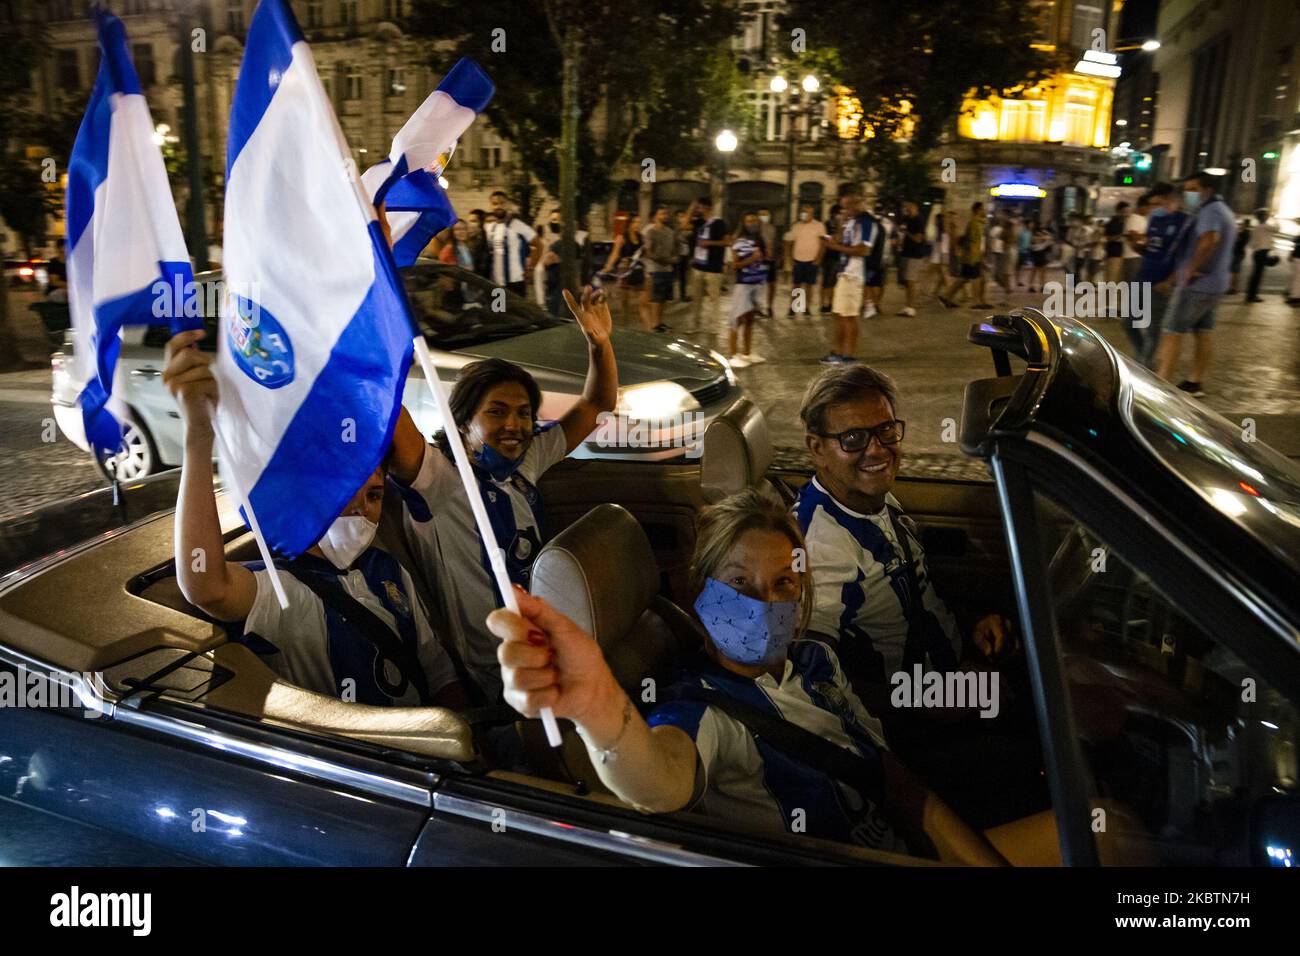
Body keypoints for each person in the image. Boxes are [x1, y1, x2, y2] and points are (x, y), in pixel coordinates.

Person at [489, 488, 1007, 861]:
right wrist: (598, 707)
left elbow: (891, 776)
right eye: (739, 582)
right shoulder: (701, 708)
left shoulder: (815, 659)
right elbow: (658, 778)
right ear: (699, 589)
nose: (764, 602)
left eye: (783, 582)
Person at [161, 328, 468, 710]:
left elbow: (438, 671)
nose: (362, 508)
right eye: (343, 493)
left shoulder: (388, 570)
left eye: (374, 495)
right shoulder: (280, 590)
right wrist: (198, 434)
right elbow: (205, 585)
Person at [386, 286, 617, 702]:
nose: (514, 424)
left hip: (549, 650)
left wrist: (599, 345)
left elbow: (598, 402)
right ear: (461, 423)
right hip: (497, 677)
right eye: (496, 411)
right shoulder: (436, 477)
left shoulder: (525, 462)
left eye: (524, 412)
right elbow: (386, 410)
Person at [1155, 170, 1237, 397]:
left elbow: (1209, 240)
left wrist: (1189, 269)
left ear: (1206, 189)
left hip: (1197, 286)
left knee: (1172, 330)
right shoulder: (1223, 210)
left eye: (1193, 189)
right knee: (1204, 331)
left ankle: (1160, 386)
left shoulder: (1210, 211)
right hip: (1215, 285)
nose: (1188, 193)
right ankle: (1195, 382)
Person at [1131, 182, 1188, 369]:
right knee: (1128, 321)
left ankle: (1145, 366)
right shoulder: (1155, 219)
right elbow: (1150, 247)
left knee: (1153, 328)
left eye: (1156, 204)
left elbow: (1184, 256)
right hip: (1143, 275)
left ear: (1168, 200)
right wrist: (1135, 244)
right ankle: (1143, 356)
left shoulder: (1183, 221)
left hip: (1161, 282)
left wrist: (1170, 281)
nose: (1153, 209)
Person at [820, 189, 877, 364]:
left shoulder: (866, 222)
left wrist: (834, 248)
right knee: (838, 314)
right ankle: (837, 352)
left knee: (849, 317)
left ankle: (849, 356)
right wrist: (838, 229)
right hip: (844, 273)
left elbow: (863, 250)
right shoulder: (853, 221)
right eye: (842, 208)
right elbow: (843, 241)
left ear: (857, 203)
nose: (844, 211)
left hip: (853, 275)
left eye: (846, 207)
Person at [725, 212, 769, 368]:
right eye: (748, 221)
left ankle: (747, 353)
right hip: (743, 284)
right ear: (743, 223)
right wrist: (752, 258)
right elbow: (735, 265)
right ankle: (733, 354)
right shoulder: (739, 241)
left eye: (754, 220)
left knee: (750, 319)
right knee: (736, 319)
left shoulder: (759, 239)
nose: (752, 223)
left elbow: (764, 258)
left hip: (757, 284)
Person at [486, 191, 539, 297]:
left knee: (516, 312)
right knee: (499, 311)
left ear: (507, 205)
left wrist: (531, 268)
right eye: (495, 204)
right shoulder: (489, 227)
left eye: (502, 203)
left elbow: (539, 245)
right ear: (491, 206)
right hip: (497, 283)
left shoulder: (518, 225)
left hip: (516, 281)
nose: (498, 206)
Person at [688, 196, 729, 332]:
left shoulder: (719, 223)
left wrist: (709, 243)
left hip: (713, 267)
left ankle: (714, 327)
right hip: (698, 266)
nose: (697, 210)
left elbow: (727, 241)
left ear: (706, 208)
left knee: (714, 298)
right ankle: (695, 325)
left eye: (698, 207)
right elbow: (683, 225)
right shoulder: (698, 222)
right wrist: (691, 209)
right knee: (696, 298)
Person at [939, 202, 989, 309]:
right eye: (983, 209)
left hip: (971, 256)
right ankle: (976, 302)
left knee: (964, 278)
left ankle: (946, 297)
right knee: (976, 278)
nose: (985, 211)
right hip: (972, 257)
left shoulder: (977, 223)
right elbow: (971, 241)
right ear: (978, 210)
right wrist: (975, 257)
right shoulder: (974, 223)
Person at [601, 213, 646, 326]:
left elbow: (645, 253)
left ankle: (645, 325)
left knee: (642, 301)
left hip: (638, 269)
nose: (637, 225)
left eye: (638, 222)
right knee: (624, 301)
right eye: (635, 222)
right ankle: (624, 324)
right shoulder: (622, 237)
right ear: (629, 224)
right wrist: (608, 266)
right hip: (625, 270)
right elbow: (615, 253)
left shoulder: (640, 237)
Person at [784, 203, 826, 319]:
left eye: (808, 212)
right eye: (803, 212)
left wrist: (819, 259)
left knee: (809, 285)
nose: (805, 214)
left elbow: (823, 244)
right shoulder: (796, 226)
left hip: (812, 260)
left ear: (812, 213)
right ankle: (794, 307)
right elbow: (789, 242)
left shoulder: (819, 226)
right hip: (798, 259)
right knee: (796, 285)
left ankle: (806, 308)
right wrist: (789, 258)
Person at [641, 205, 676, 333]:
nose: (665, 216)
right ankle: (655, 325)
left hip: (668, 269)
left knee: (664, 298)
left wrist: (673, 259)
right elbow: (648, 252)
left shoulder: (670, 232)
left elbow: (674, 250)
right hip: (656, 269)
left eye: (666, 214)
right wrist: (661, 259)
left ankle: (660, 323)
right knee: (655, 298)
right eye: (662, 214)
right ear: (655, 216)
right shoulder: (651, 232)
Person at [895, 201, 927, 317]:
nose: (906, 209)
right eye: (905, 207)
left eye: (909, 207)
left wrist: (906, 232)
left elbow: (918, 239)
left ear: (915, 207)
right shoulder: (907, 219)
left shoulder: (919, 220)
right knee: (907, 282)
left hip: (915, 254)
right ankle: (907, 306)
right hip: (906, 253)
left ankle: (911, 307)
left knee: (911, 280)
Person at [1245, 208, 1276, 303]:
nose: (1268, 216)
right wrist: (1275, 219)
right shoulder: (1265, 226)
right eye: (1267, 214)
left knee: (1255, 275)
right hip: (1262, 253)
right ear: (1263, 216)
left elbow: (1251, 243)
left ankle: (1250, 295)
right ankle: (1252, 296)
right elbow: (1277, 228)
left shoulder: (1257, 227)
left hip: (1257, 253)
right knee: (1257, 276)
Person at [819, 203, 843, 314]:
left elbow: (841, 239)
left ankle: (832, 304)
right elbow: (827, 239)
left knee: (835, 283)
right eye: (839, 213)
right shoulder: (827, 224)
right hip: (828, 257)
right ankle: (824, 304)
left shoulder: (844, 226)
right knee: (826, 282)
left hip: (840, 257)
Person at [756, 207, 778, 317]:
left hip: (769, 260)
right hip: (758, 260)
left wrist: (771, 255)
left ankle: (769, 306)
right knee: (758, 285)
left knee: (772, 284)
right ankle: (757, 307)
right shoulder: (754, 228)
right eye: (761, 214)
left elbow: (771, 243)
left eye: (765, 214)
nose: (763, 217)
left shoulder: (772, 228)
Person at [1123, 195, 1150, 284]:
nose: (1149, 210)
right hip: (1133, 256)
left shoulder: (1144, 218)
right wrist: (1147, 236)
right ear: (1142, 206)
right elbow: (1133, 236)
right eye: (1148, 208)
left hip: (1140, 256)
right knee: (1133, 285)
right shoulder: (1133, 218)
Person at [1103, 201, 1129, 283]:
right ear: (1118, 211)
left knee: (1119, 283)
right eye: (1124, 211)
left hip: (1123, 255)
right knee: (1112, 281)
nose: (1126, 214)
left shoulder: (1125, 223)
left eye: (1127, 212)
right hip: (1114, 255)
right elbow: (1108, 238)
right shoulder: (1112, 223)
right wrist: (1121, 235)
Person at [673, 209, 693, 301]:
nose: (682, 218)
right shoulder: (676, 228)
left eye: (683, 216)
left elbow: (690, 235)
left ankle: (682, 294)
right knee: (677, 275)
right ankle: (675, 294)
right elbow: (678, 238)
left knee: (683, 276)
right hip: (678, 254)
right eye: (680, 216)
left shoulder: (688, 228)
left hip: (685, 254)